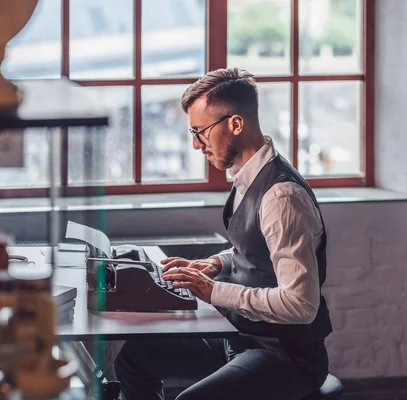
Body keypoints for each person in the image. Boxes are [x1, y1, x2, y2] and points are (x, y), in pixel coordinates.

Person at [115, 67, 333, 400]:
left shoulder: (282, 196)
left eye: (200, 131)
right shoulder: (249, 179)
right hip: (240, 337)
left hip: (286, 356)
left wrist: (213, 291)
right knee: (134, 358)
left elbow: (301, 304)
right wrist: (215, 263)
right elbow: (255, 252)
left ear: (235, 124)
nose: (195, 144)